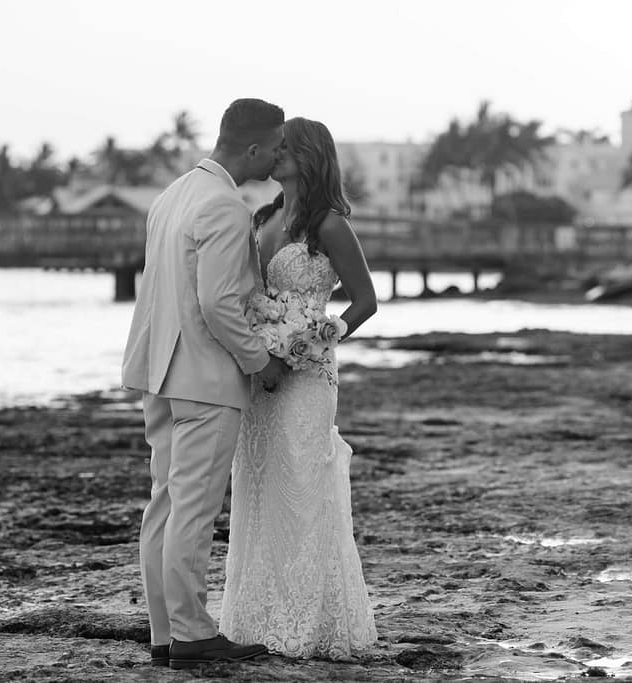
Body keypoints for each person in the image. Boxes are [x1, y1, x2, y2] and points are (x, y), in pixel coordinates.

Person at [121, 98, 290, 670]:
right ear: (251, 148)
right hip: (205, 378)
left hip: (160, 373)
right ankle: (192, 633)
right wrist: (258, 360)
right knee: (191, 511)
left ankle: (166, 634)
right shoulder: (222, 204)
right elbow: (218, 302)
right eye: (274, 147)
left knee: (165, 506)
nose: (276, 156)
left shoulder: (174, 194)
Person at [218, 117, 379, 659]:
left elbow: (365, 301)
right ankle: (256, 619)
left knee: (304, 490)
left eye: (285, 148)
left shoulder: (328, 225)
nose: (275, 155)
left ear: (307, 157)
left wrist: (318, 339)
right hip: (262, 375)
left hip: (308, 379)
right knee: (260, 489)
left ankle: (310, 625)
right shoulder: (263, 218)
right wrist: (261, 346)